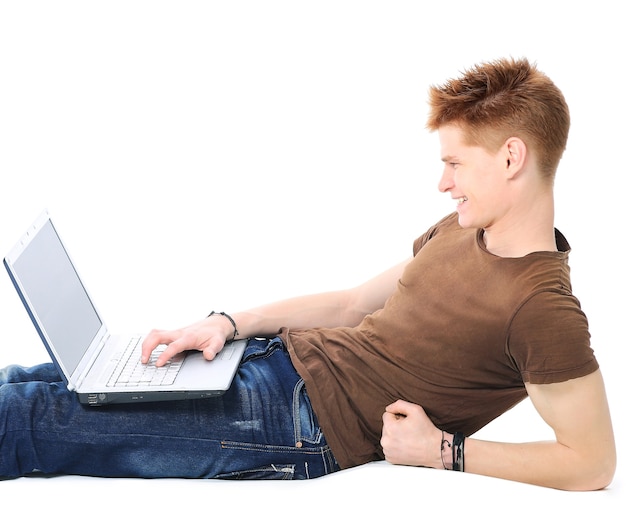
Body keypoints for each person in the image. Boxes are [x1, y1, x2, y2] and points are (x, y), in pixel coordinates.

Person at [0, 57, 616, 490]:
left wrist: (445, 452)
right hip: (269, 362)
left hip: (292, 425)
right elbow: (352, 305)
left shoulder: (542, 308)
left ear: (511, 157)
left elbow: (592, 463)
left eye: (455, 162)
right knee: (23, 382)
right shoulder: (463, 229)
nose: (442, 181)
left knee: (22, 420)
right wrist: (229, 323)